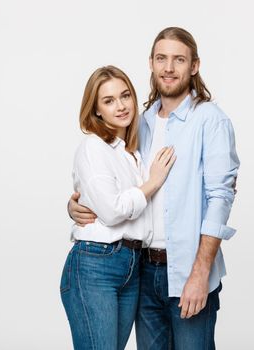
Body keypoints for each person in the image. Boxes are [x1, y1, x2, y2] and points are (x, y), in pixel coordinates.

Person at [68, 27, 240, 349]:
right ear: (151, 63)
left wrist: (201, 274)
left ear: (194, 65)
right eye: (162, 58)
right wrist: (75, 203)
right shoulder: (140, 123)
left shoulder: (211, 120)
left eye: (179, 59)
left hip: (189, 270)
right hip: (142, 274)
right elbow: (115, 181)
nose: (169, 68)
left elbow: (220, 198)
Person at [60, 65, 176, 350]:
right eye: (109, 101)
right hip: (96, 264)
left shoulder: (132, 153)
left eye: (125, 96)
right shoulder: (93, 147)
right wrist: (153, 182)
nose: (121, 106)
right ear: (96, 109)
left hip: (133, 265)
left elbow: (137, 211)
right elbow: (112, 211)